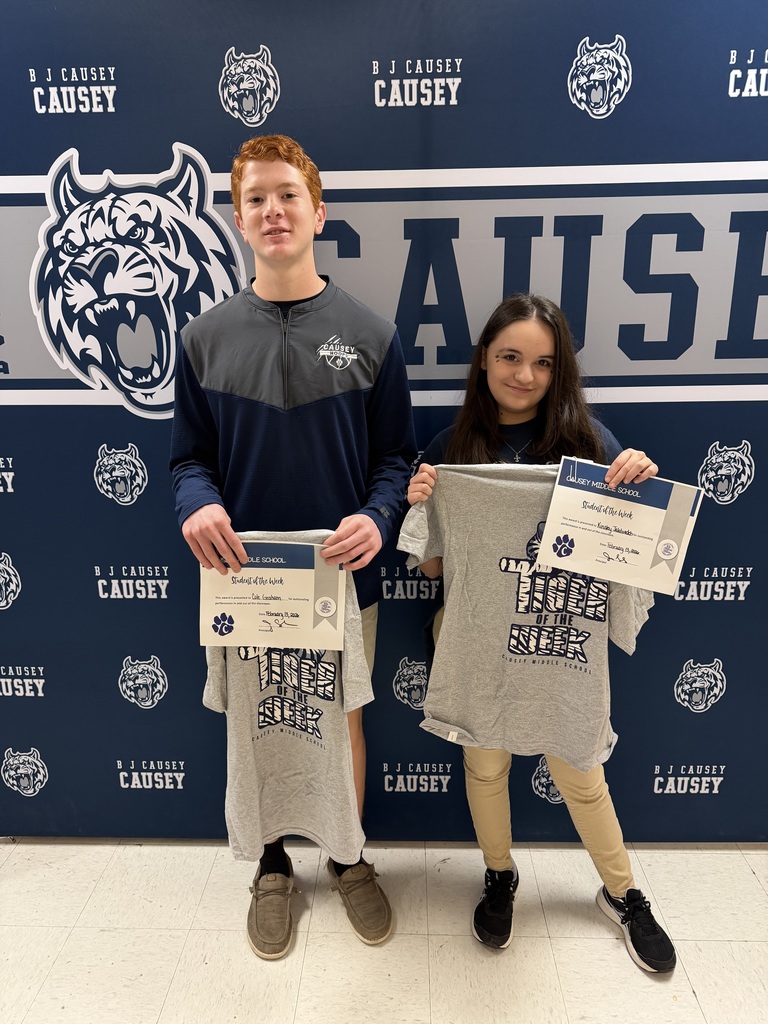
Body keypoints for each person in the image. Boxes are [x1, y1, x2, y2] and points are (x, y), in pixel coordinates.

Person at [170, 134, 416, 959]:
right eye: (255, 199)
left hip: (341, 582)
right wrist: (197, 505)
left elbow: (395, 460)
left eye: (287, 195)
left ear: (319, 211)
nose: (273, 211)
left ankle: (348, 857)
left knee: (344, 720)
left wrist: (380, 518)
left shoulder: (372, 334)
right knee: (257, 722)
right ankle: (271, 863)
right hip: (241, 582)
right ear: (237, 219)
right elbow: (187, 460)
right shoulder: (204, 338)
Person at [402, 293, 676, 973]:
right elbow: (435, 567)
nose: (524, 375)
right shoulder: (450, 450)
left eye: (542, 363)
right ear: (485, 361)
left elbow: (642, 550)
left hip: (561, 646)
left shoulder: (589, 444)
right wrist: (422, 502)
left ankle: (624, 893)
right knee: (485, 765)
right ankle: (500, 875)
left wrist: (638, 480)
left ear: (561, 371)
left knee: (582, 773)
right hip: (480, 642)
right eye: (510, 357)